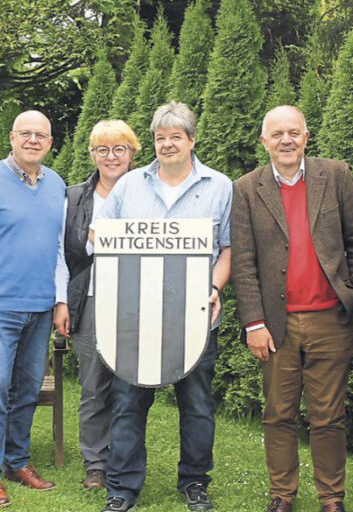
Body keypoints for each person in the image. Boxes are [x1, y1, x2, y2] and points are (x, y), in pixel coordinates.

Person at [95, 101, 232, 512]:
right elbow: (100, 238)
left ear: (192, 140)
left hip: (195, 318)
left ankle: (195, 482)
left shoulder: (220, 186)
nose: (167, 144)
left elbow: (229, 249)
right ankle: (122, 487)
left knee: (198, 406)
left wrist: (214, 286)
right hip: (135, 319)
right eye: (160, 138)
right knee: (127, 404)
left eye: (176, 137)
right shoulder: (129, 185)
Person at [231, 105, 353, 512]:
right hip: (276, 324)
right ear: (264, 142)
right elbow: (243, 262)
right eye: (277, 134)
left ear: (306, 137)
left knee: (329, 417)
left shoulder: (335, 175)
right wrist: (253, 322)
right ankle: (282, 495)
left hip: (331, 320)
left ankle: (331, 498)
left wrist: (352, 294)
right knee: (278, 414)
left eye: (293, 132)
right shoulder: (246, 188)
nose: (286, 140)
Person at [0, 110, 66, 508]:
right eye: (26, 133)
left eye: (41, 135)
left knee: (28, 390)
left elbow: (59, 248)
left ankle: (17, 461)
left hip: (40, 307)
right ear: (12, 138)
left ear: (50, 142)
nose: (33, 140)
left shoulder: (56, 185)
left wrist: (60, 300)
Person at [53, 120, 141, 491]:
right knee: (93, 388)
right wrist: (61, 301)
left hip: (136, 303)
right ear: (92, 155)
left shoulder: (147, 192)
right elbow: (61, 254)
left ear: (132, 153)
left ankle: (124, 461)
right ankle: (96, 465)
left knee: (130, 389)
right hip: (88, 301)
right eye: (102, 149)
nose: (111, 157)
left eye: (119, 149)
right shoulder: (74, 197)